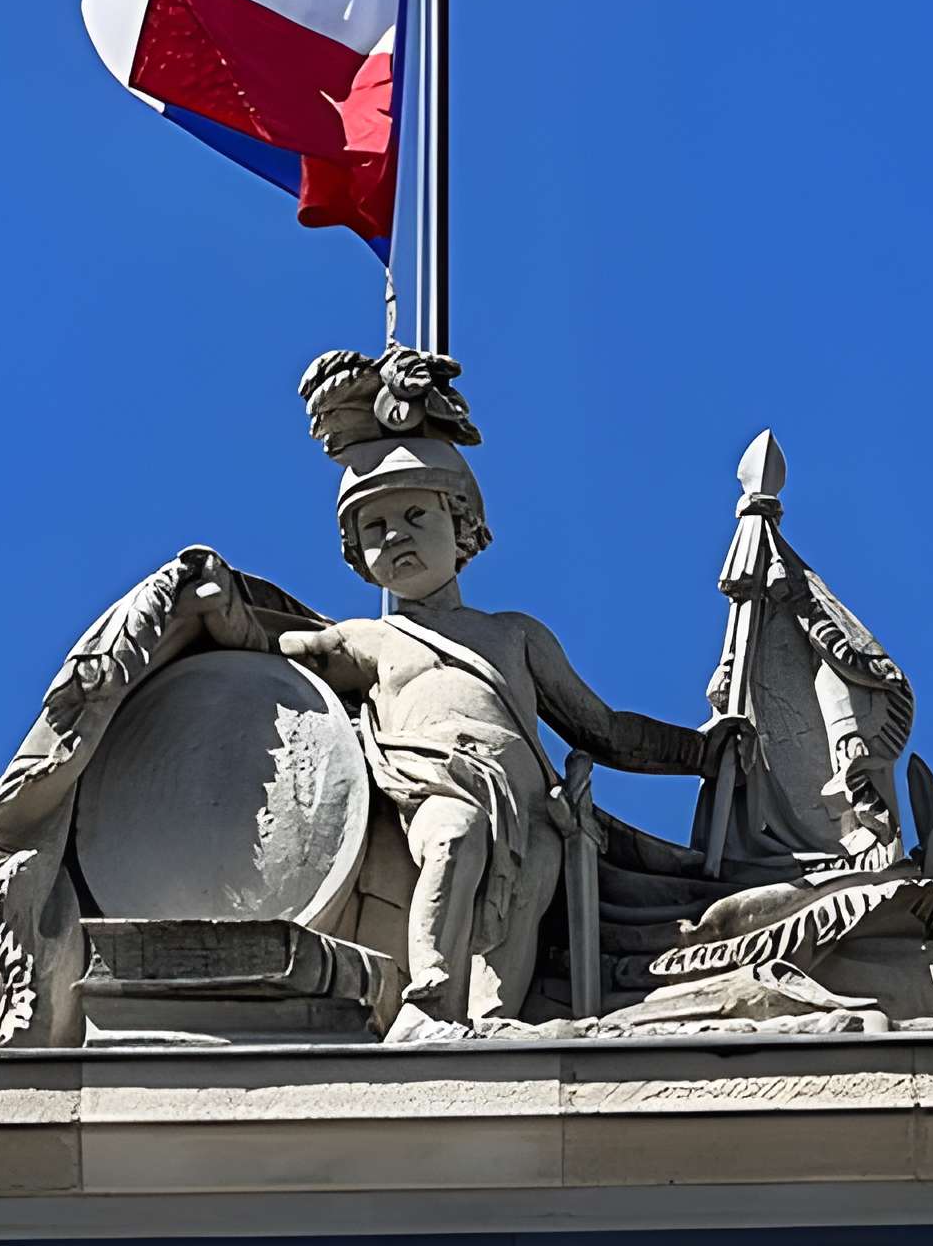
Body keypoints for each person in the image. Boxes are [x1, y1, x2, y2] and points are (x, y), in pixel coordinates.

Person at [278, 429, 747, 1034]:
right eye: (374, 529)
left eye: (416, 515)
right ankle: (428, 1007)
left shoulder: (515, 634)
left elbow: (602, 728)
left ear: (463, 527)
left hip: (533, 805)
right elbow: (306, 654)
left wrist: (699, 750)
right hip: (438, 781)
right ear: (359, 556)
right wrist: (254, 629)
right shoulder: (373, 638)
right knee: (456, 838)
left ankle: (492, 1018)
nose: (395, 534)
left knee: (525, 894)